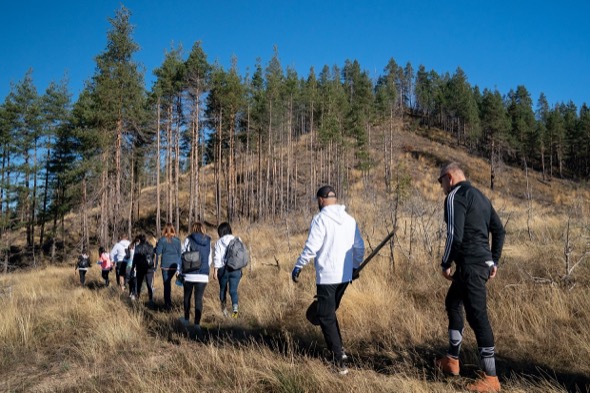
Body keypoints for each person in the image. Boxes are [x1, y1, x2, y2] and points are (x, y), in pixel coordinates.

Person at [435, 162, 506, 393]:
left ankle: (491, 378)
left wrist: (446, 263)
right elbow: (499, 230)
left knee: (478, 317)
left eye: (441, 181)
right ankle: (451, 361)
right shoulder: (481, 197)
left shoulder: (455, 196)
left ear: (450, 177)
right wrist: (493, 261)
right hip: (479, 265)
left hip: (470, 266)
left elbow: (455, 234)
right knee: (453, 302)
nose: (441, 187)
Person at [291, 185, 365, 375]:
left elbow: (312, 246)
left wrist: (299, 265)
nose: (318, 204)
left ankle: (338, 360)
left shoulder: (320, 219)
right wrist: (354, 267)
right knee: (329, 314)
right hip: (344, 276)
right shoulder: (349, 220)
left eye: (318, 201)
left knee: (324, 316)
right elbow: (359, 247)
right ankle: (340, 351)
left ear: (322, 199)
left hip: (327, 277)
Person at [177, 222, 212, 331]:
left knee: (187, 297)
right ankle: (197, 324)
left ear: (193, 229)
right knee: (198, 299)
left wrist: (179, 270)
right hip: (203, 276)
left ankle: (187, 319)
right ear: (203, 229)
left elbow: (182, 256)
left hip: (189, 274)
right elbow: (210, 259)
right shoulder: (209, 241)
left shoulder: (188, 239)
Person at [213, 222, 242, 318]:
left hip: (223, 268)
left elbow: (217, 257)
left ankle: (224, 311)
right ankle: (235, 311)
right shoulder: (237, 239)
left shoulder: (219, 242)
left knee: (223, 289)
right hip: (236, 268)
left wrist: (215, 270)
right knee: (233, 290)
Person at [155, 223, 182, 310]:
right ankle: (179, 303)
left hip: (165, 265)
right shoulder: (178, 240)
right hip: (175, 264)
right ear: (173, 230)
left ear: (165, 230)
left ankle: (167, 304)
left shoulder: (162, 240)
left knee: (166, 284)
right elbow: (180, 254)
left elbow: (158, 252)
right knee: (170, 283)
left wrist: (156, 246)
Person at [132, 234, 155, 305]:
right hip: (149, 268)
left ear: (139, 240)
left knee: (139, 284)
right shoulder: (151, 247)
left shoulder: (137, 247)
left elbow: (135, 258)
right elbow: (153, 256)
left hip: (140, 268)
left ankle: (137, 298)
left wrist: (133, 267)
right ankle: (151, 299)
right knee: (149, 284)